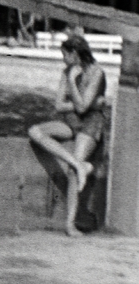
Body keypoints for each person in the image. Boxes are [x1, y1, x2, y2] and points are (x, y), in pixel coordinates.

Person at [28, 32, 108, 236]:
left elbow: (82, 109)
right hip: (71, 122)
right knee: (35, 131)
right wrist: (89, 103)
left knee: (72, 175)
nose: (63, 59)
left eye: (65, 55)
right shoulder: (66, 71)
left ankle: (70, 224)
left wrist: (73, 83)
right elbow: (59, 105)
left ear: (75, 53)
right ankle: (78, 164)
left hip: (91, 124)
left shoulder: (96, 73)